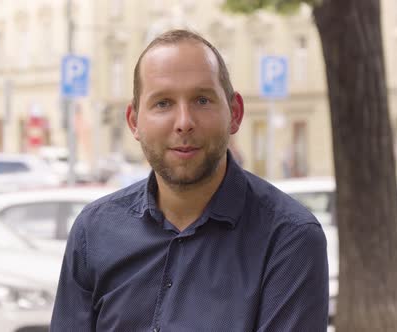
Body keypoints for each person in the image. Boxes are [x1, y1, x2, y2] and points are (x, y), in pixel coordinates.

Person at [51, 29, 329, 331]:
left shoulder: (289, 239)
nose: (184, 122)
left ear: (234, 113)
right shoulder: (93, 232)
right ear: (134, 122)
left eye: (202, 100)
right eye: (163, 103)